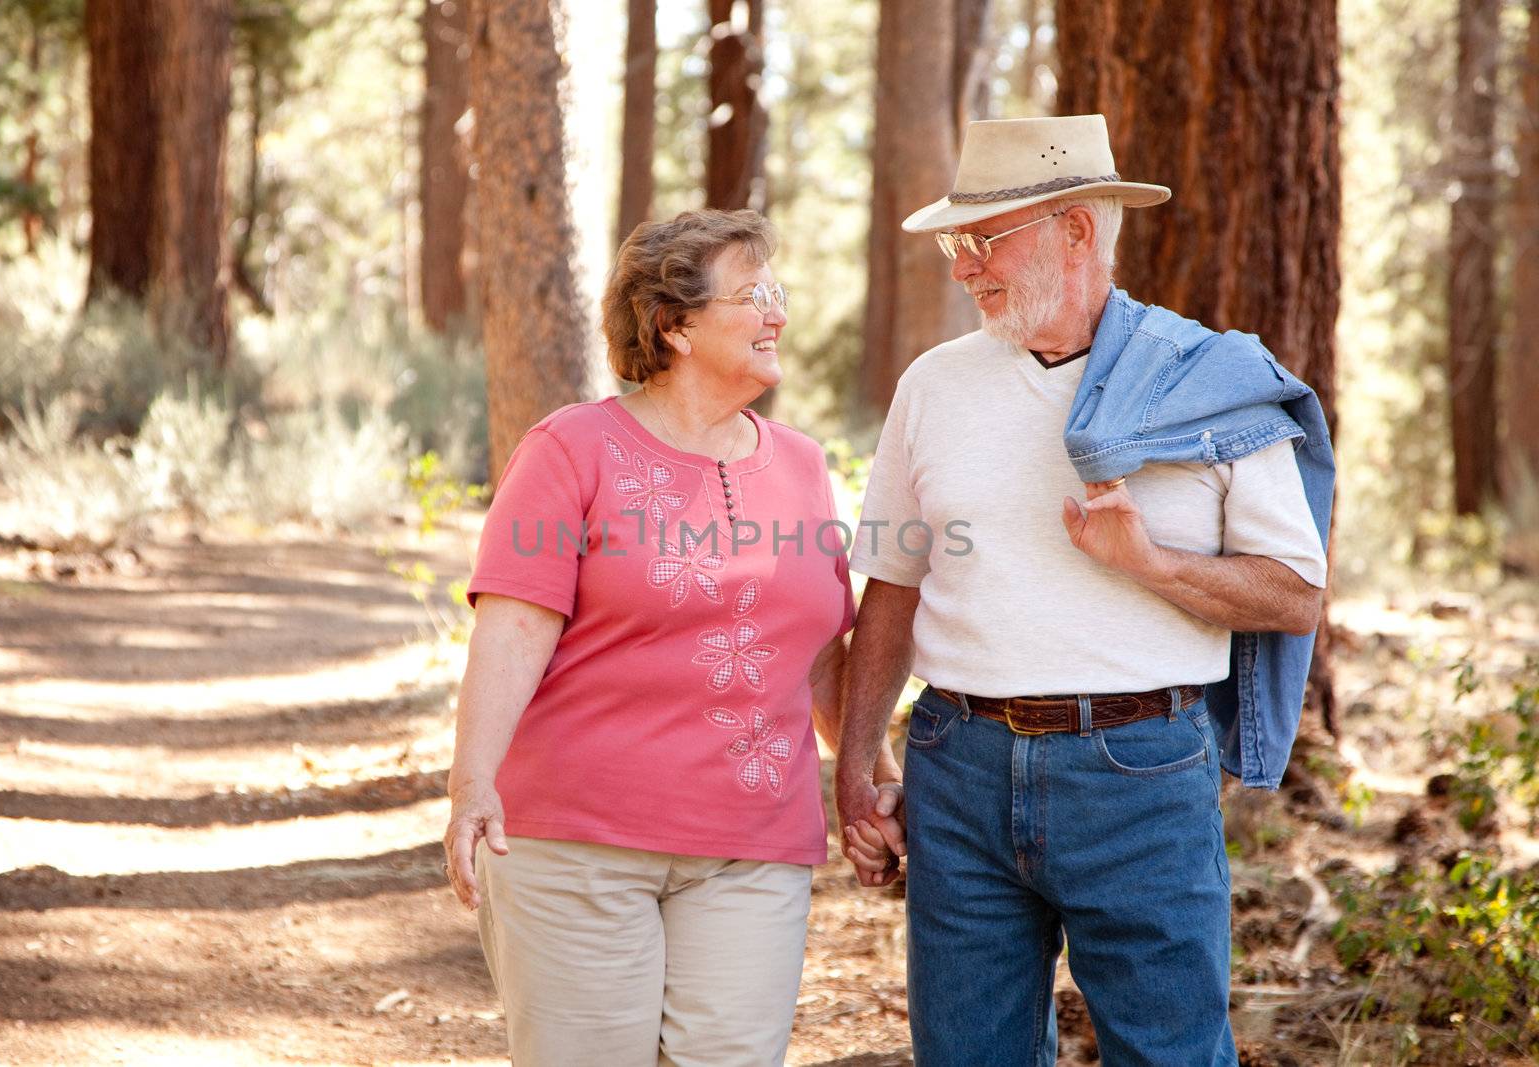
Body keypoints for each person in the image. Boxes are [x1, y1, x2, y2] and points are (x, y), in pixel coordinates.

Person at [834, 115, 1335, 1066]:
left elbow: (1295, 597)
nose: (963, 267)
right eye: (955, 241)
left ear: (1076, 230)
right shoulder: (932, 386)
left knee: (1171, 1054)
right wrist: (858, 766)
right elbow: (892, 583)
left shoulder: (1211, 383)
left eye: (987, 239)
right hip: (956, 765)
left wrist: (1157, 565)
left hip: (1139, 772)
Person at [442, 208, 902, 1067]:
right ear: (674, 324)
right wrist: (472, 784)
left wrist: (870, 775)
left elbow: (813, 655)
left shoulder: (801, 464)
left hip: (752, 848)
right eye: (754, 294)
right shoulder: (569, 449)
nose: (779, 313)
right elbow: (512, 629)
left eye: (779, 291)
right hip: (575, 840)